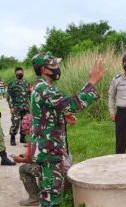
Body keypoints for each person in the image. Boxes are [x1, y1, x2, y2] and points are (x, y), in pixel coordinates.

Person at [30, 51, 105, 206]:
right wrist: (92, 82)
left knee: (48, 190)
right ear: (44, 69)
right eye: (54, 65)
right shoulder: (45, 88)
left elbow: (45, 113)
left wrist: (62, 117)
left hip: (46, 149)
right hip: (49, 150)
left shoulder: (38, 87)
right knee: (52, 195)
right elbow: (71, 104)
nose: (58, 68)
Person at [7, 67, 32, 146]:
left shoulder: (26, 83)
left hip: (25, 106)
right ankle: (12, 138)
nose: (20, 73)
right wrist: (11, 107)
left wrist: (31, 105)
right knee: (15, 123)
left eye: (21, 72)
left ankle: (22, 138)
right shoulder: (12, 83)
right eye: (18, 72)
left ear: (23, 73)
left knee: (25, 123)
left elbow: (29, 94)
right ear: (15, 73)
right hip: (16, 107)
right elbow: (9, 96)